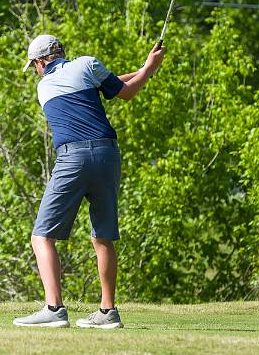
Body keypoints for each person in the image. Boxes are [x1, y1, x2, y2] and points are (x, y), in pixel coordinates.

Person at [12, 34, 165, 329]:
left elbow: (109, 88)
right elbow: (123, 90)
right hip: (108, 154)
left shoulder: (44, 88)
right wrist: (148, 68)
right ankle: (108, 312)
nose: (35, 71)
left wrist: (146, 68)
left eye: (34, 66)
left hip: (73, 158)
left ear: (42, 62)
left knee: (41, 236)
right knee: (102, 236)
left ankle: (54, 309)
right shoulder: (87, 65)